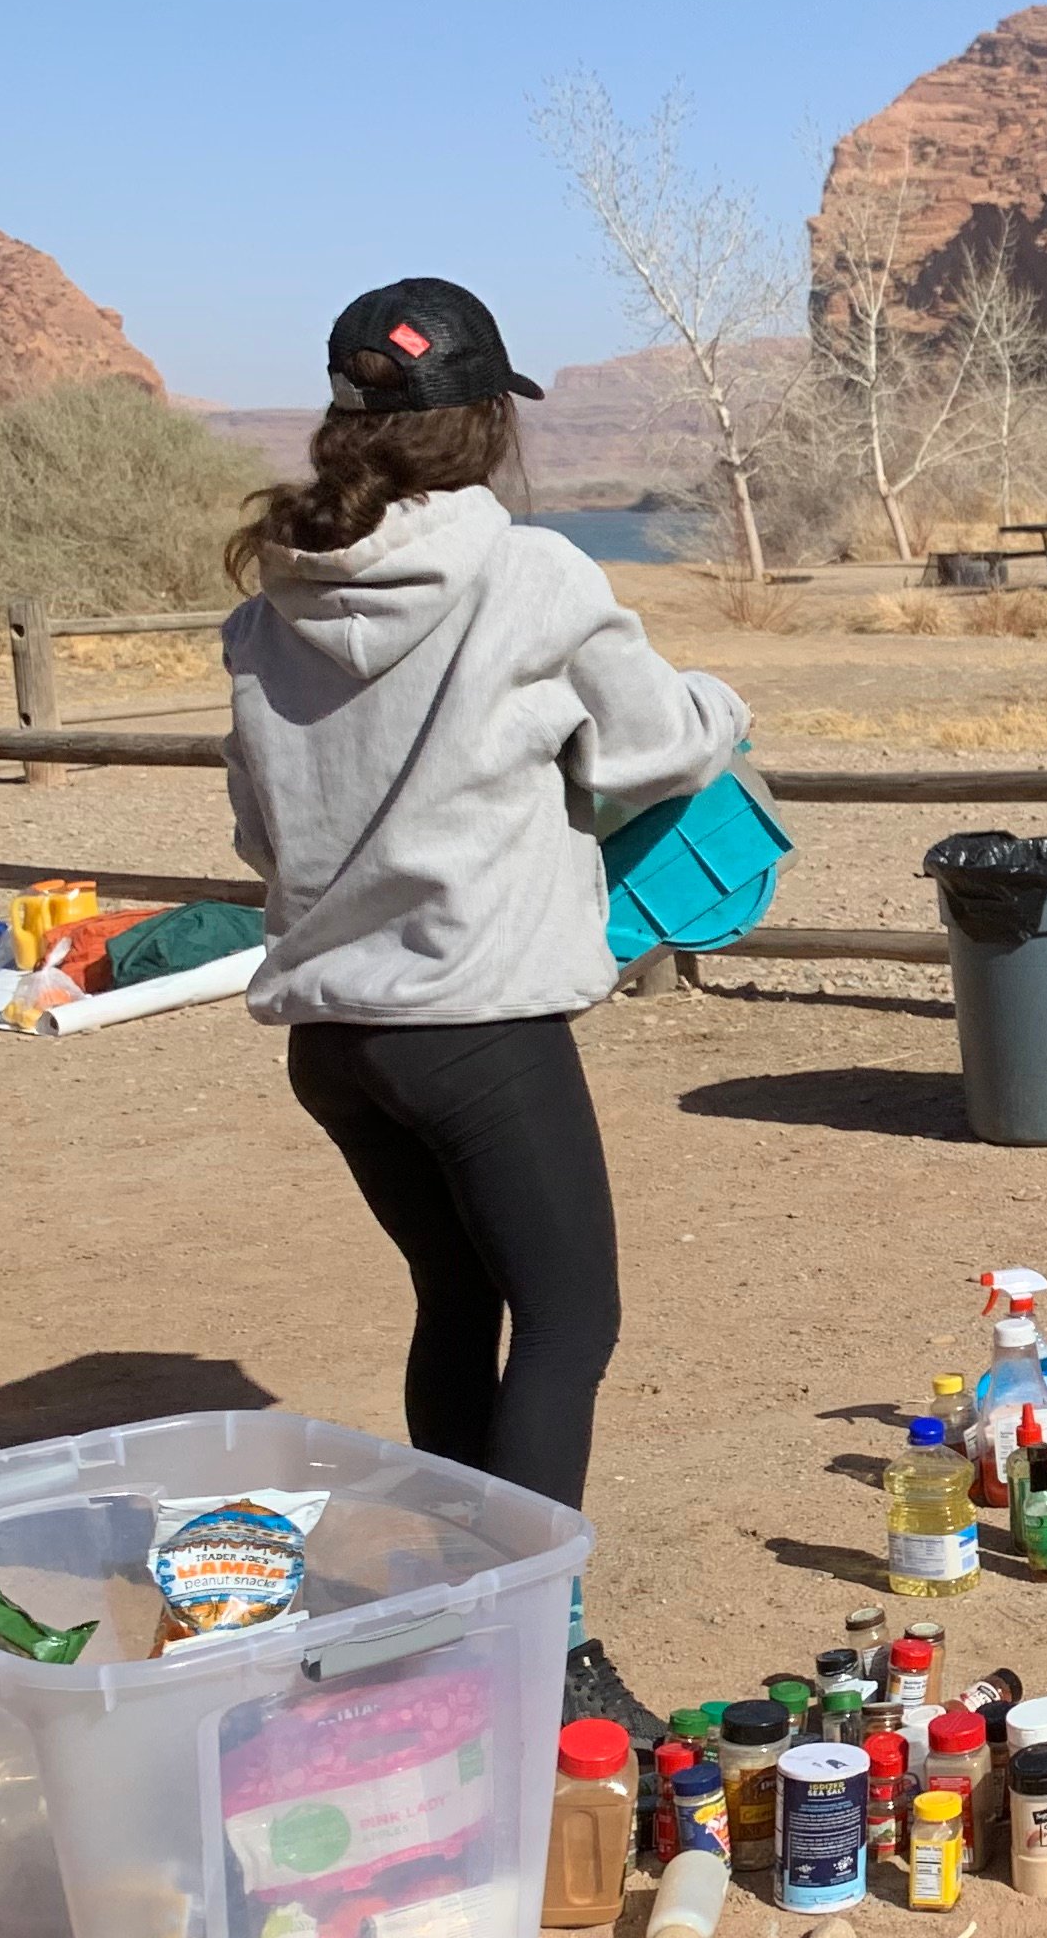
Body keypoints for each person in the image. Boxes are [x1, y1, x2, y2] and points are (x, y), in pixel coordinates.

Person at [223, 278, 748, 1512]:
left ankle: (455, 1605)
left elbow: (261, 833)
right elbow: (649, 748)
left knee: (456, 1301)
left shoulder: (266, 609)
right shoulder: (535, 576)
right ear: (483, 425)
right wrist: (723, 707)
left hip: (334, 1040)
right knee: (571, 1328)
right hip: (476, 1034)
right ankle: (542, 1646)